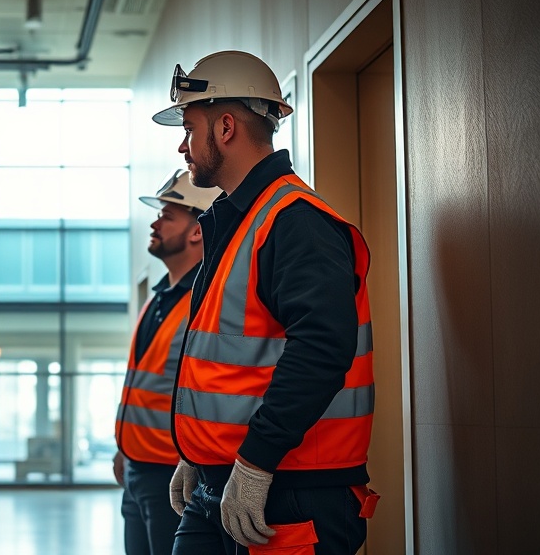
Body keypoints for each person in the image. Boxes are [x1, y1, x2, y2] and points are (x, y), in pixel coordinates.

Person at [152, 50, 378, 554]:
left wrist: (254, 463)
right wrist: (201, 454)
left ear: (226, 127)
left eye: (190, 128)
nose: (182, 146)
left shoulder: (295, 221)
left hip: (290, 490)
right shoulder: (239, 221)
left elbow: (321, 350)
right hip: (226, 483)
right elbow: (238, 359)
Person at [114, 170, 218, 555]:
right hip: (137, 468)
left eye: (168, 215)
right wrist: (123, 448)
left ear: (196, 231)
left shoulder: (206, 301)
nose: (155, 223)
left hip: (175, 474)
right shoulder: (157, 299)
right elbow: (141, 385)